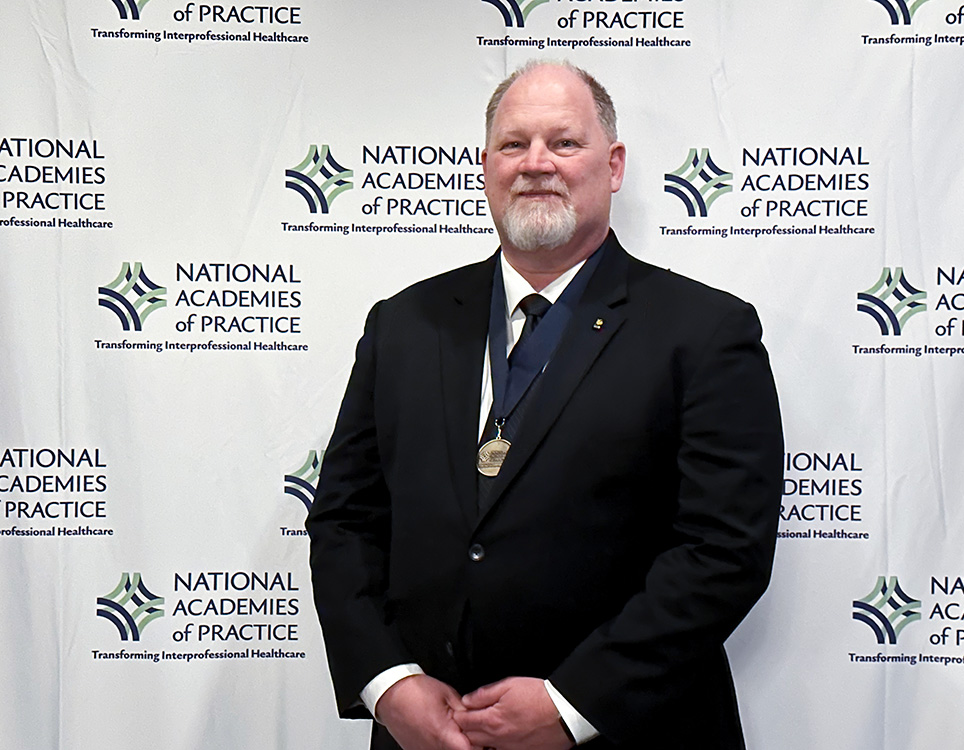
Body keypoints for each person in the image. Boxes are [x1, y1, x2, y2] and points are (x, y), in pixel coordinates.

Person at [307, 60, 783, 750]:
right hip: (432, 735)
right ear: (484, 167)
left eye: (564, 143)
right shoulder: (404, 324)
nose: (536, 164)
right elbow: (346, 522)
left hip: (632, 731)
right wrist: (385, 682)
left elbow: (724, 551)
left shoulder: (704, 331)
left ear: (613, 165)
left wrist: (573, 703)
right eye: (513, 144)